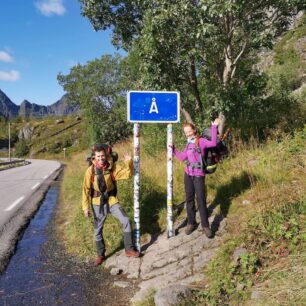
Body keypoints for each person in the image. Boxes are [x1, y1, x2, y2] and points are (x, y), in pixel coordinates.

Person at [82, 144, 140, 266]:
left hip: (111, 200)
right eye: (98, 156)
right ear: (94, 156)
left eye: (102, 155)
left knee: (126, 220)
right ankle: (100, 255)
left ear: (106, 155)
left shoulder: (111, 167)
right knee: (97, 229)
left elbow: (128, 174)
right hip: (97, 203)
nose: (100, 158)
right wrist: (85, 207)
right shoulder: (90, 171)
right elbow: (85, 190)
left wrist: (128, 162)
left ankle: (129, 249)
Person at [172, 118, 221, 238]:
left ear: (194, 130)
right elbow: (183, 157)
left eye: (189, 131)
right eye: (186, 132)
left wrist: (214, 126)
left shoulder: (201, 141)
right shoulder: (188, 143)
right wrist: (173, 149)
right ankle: (191, 223)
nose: (188, 133)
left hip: (199, 174)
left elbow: (213, 143)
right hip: (188, 174)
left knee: (200, 200)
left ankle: (205, 226)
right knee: (189, 199)